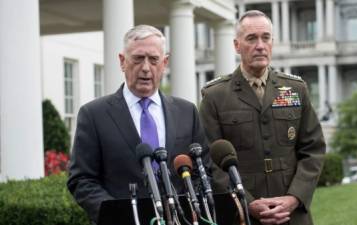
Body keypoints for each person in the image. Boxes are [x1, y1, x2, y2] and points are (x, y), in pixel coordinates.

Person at [67, 25, 211, 224]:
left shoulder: (187, 112)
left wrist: (187, 209)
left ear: (165, 63)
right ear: (122, 61)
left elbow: (203, 170)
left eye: (153, 60)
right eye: (137, 58)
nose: (145, 68)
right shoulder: (93, 115)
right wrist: (118, 215)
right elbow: (81, 179)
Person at [200, 10, 326, 225]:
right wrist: (246, 203)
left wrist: (294, 198)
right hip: (241, 214)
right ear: (237, 45)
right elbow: (211, 162)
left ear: (272, 43)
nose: (260, 45)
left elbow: (313, 149)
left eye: (265, 38)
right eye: (251, 38)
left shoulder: (295, 89)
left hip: (291, 214)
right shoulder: (215, 96)